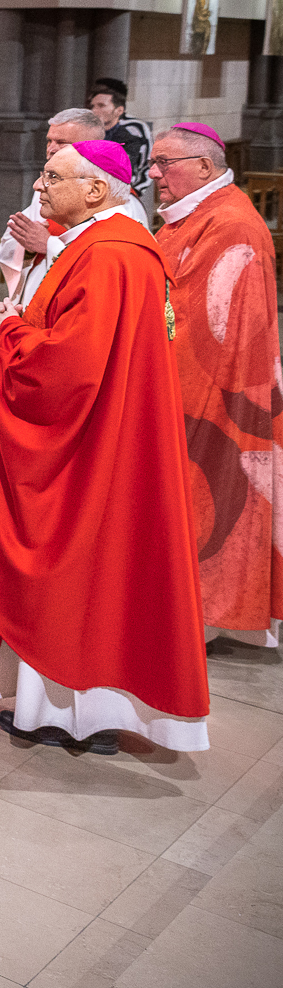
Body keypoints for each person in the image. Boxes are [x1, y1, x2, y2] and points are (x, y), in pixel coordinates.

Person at [0, 140, 207, 753]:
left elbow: (67, 369)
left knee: (74, 571)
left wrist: (10, 328)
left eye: (52, 176)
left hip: (89, 444)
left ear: (97, 190)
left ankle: (75, 716)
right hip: (111, 432)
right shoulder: (109, 244)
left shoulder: (108, 255)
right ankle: (78, 714)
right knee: (103, 575)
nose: (39, 186)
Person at [151, 121, 281, 650]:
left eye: (165, 164)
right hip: (194, 379)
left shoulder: (230, 224)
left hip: (211, 391)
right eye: (153, 164)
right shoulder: (199, 212)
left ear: (203, 167)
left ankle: (193, 616)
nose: (154, 174)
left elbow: (191, 317)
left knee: (205, 498)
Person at [0, 108, 146, 308]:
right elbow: (17, 238)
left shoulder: (122, 204)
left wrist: (48, 244)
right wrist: (27, 248)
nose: (52, 149)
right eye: (49, 141)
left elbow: (112, 271)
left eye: (62, 142)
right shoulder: (47, 187)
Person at [89, 78, 152, 197]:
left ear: (119, 110)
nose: (94, 110)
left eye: (101, 106)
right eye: (93, 106)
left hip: (124, 194)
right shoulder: (88, 128)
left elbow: (146, 164)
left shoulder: (133, 129)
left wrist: (135, 192)